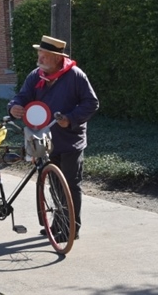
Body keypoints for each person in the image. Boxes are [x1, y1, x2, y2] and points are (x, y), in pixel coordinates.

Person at [8, 35, 100, 240]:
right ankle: (58, 223)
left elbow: (91, 103)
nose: (39, 58)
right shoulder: (36, 76)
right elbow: (21, 97)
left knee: (70, 184)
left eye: (44, 55)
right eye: (39, 54)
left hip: (70, 140)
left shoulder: (75, 75)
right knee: (55, 184)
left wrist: (70, 118)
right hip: (44, 140)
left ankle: (71, 230)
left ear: (58, 58)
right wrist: (14, 107)